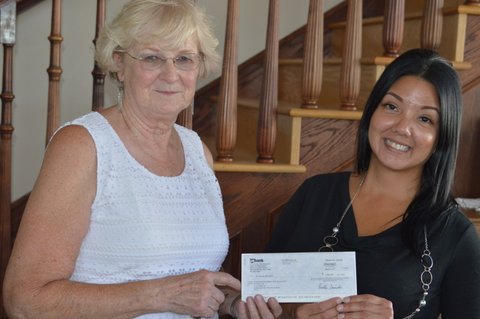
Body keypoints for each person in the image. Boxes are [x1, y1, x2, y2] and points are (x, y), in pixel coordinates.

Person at [3, 1, 281, 318]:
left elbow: (193, 281)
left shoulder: (196, 150)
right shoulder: (83, 145)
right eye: (152, 58)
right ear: (119, 64)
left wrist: (232, 303)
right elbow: (25, 301)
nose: (171, 74)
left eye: (184, 59)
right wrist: (164, 295)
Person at [266, 48, 480, 319]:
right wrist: (293, 314)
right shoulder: (315, 193)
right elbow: (262, 301)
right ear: (372, 112)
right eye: (391, 106)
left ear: (442, 136)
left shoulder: (455, 235)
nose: (402, 127)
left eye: (425, 119)